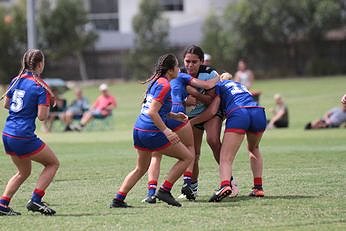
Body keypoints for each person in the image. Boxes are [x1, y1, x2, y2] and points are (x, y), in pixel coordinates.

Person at [110, 53, 193, 208]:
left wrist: (174, 116)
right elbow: (152, 112)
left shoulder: (156, 82)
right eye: (176, 66)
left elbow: (154, 109)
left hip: (139, 129)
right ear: (170, 70)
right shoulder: (165, 85)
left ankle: (118, 199)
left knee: (141, 168)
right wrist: (167, 131)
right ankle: (164, 190)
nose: (179, 69)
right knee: (187, 157)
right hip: (151, 131)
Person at [142, 72, 219, 203]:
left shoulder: (155, 80)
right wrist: (218, 76)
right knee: (190, 147)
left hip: (158, 114)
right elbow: (207, 85)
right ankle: (187, 183)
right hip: (176, 110)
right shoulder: (181, 75)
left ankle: (151, 193)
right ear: (173, 69)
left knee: (156, 155)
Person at [0, 49, 60, 216]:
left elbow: (6, 105)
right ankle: (36, 200)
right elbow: (42, 117)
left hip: (8, 134)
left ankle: (2, 205)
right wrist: (45, 101)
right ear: (40, 64)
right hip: (22, 135)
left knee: (23, 172)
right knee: (52, 163)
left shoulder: (16, 80)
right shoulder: (39, 86)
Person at [190, 74, 267, 202]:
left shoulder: (218, 86)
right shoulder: (239, 85)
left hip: (240, 113)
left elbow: (212, 112)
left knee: (225, 158)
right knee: (254, 148)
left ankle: (225, 185)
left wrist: (191, 123)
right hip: (258, 111)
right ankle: (258, 188)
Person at [180, 45, 239, 199]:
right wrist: (185, 101)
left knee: (213, 140)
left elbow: (211, 100)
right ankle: (192, 188)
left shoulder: (209, 73)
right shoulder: (179, 74)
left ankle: (229, 182)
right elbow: (174, 97)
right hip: (192, 116)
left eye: (194, 62)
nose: (190, 65)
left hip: (211, 113)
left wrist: (194, 94)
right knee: (194, 152)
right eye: (187, 61)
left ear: (201, 61)